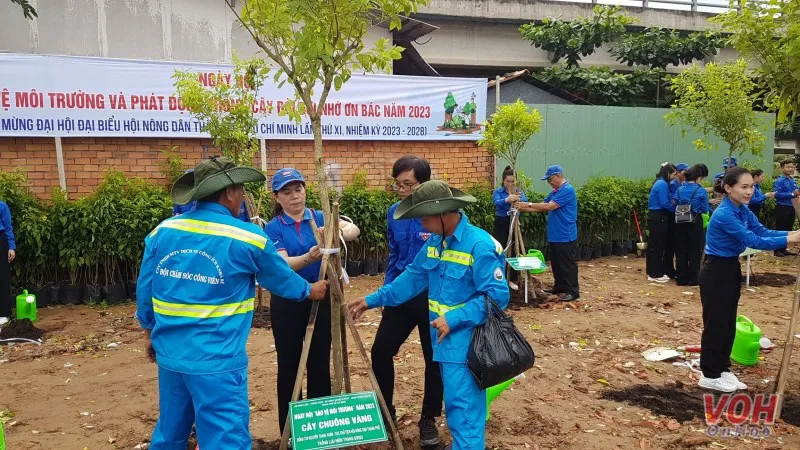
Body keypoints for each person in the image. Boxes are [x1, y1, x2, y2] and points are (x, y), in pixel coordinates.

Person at [136, 157, 328, 450]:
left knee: (171, 432)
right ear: (228, 193)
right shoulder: (246, 237)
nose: (241, 198)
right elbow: (280, 279)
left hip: (171, 355)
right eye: (240, 191)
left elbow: (146, 288)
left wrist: (149, 332)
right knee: (225, 438)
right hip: (217, 360)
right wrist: (310, 291)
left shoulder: (162, 231)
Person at [347, 180, 509, 450]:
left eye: (424, 217)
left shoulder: (479, 246)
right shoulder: (437, 242)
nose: (421, 224)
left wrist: (455, 318)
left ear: (443, 214)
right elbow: (412, 278)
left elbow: (497, 297)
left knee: (465, 411)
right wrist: (371, 300)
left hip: (467, 346)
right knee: (457, 407)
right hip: (445, 345)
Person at [264, 167, 360, 434]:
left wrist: (336, 229)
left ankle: (319, 430)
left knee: (319, 361)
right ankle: (291, 431)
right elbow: (282, 264)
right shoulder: (273, 228)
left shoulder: (320, 217)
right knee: (290, 365)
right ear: (277, 197)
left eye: (298, 189)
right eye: (287, 192)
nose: (295, 197)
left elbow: (353, 231)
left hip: (324, 297)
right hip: (288, 303)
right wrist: (309, 256)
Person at [699, 167, 800, 392]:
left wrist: (789, 235)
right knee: (716, 323)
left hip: (730, 268)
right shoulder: (724, 214)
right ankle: (709, 374)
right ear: (728, 188)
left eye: (751, 186)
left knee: (727, 323)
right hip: (716, 271)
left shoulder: (742, 210)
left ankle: (722, 368)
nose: (749, 191)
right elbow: (753, 240)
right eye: (743, 187)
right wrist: (792, 238)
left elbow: (761, 230)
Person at [374, 156, 443, 446]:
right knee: (380, 351)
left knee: (434, 359)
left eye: (408, 185)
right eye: (398, 185)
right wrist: (388, 291)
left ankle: (428, 419)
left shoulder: (440, 213)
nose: (402, 191)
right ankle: (386, 412)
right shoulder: (394, 212)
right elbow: (395, 254)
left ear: (424, 184)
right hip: (401, 295)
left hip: (432, 298)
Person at [514, 165, 579, 301]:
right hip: (555, 234)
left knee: (567, 264)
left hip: (565, 234)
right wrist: (522, 208)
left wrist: (528, 205)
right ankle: (559, 287)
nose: (549, 183)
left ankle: (572, 291)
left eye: (549, 180)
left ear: (558, 176)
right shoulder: (556, 191)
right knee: (556, 263)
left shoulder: (567, 190)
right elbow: (542, 206)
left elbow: (550, 206)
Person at [673, 165, 709, 286]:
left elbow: (674, 203)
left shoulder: (679, 189)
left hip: (680, 220)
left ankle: (681, 278)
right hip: (695, 221)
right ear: (698, 178)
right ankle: (693, 279)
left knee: (680, 250)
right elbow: (704, 209)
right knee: (694, 251)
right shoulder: (701, 190)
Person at [646, 163, 677, 283]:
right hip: (659, 216)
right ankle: (655, 273)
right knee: (657, 245)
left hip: (656, 216)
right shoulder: (662, 184)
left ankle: (653, 271)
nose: (674, 177)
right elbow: (664, 203)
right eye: (674, 174)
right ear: (668, 173)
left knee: (654, 245)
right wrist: (675, 210)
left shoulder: (659, 182)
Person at [492, 166, 528, 253]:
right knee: (501, 246)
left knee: (515, 247)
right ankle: (502, 265)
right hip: (501, 221)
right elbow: (496, 202)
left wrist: (518, 199)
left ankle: (512, 266)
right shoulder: (498, 192)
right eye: (508, 181)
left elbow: (525, 200)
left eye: (513, 181)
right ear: (503, 181)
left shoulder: (518, 191)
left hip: (514, 221)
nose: (510, 184)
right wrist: (507, 200)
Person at [772, 159, 799, 257]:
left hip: (792, 207)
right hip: (782, 207)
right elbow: (777, 194)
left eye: (792, 167)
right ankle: (777, 250)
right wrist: (792, 194)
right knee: (780, 229)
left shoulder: (792, 180)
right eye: (788, 167)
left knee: (788, 229)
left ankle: (784, 249)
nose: (790, 169)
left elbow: (797, 190)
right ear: (782, 168)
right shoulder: (779, 181)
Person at [0, 200, 16, 326]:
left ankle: (4, 313)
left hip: (1, 242)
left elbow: (8, 227)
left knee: (2, 278)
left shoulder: (2, 206)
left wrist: (11, 247)